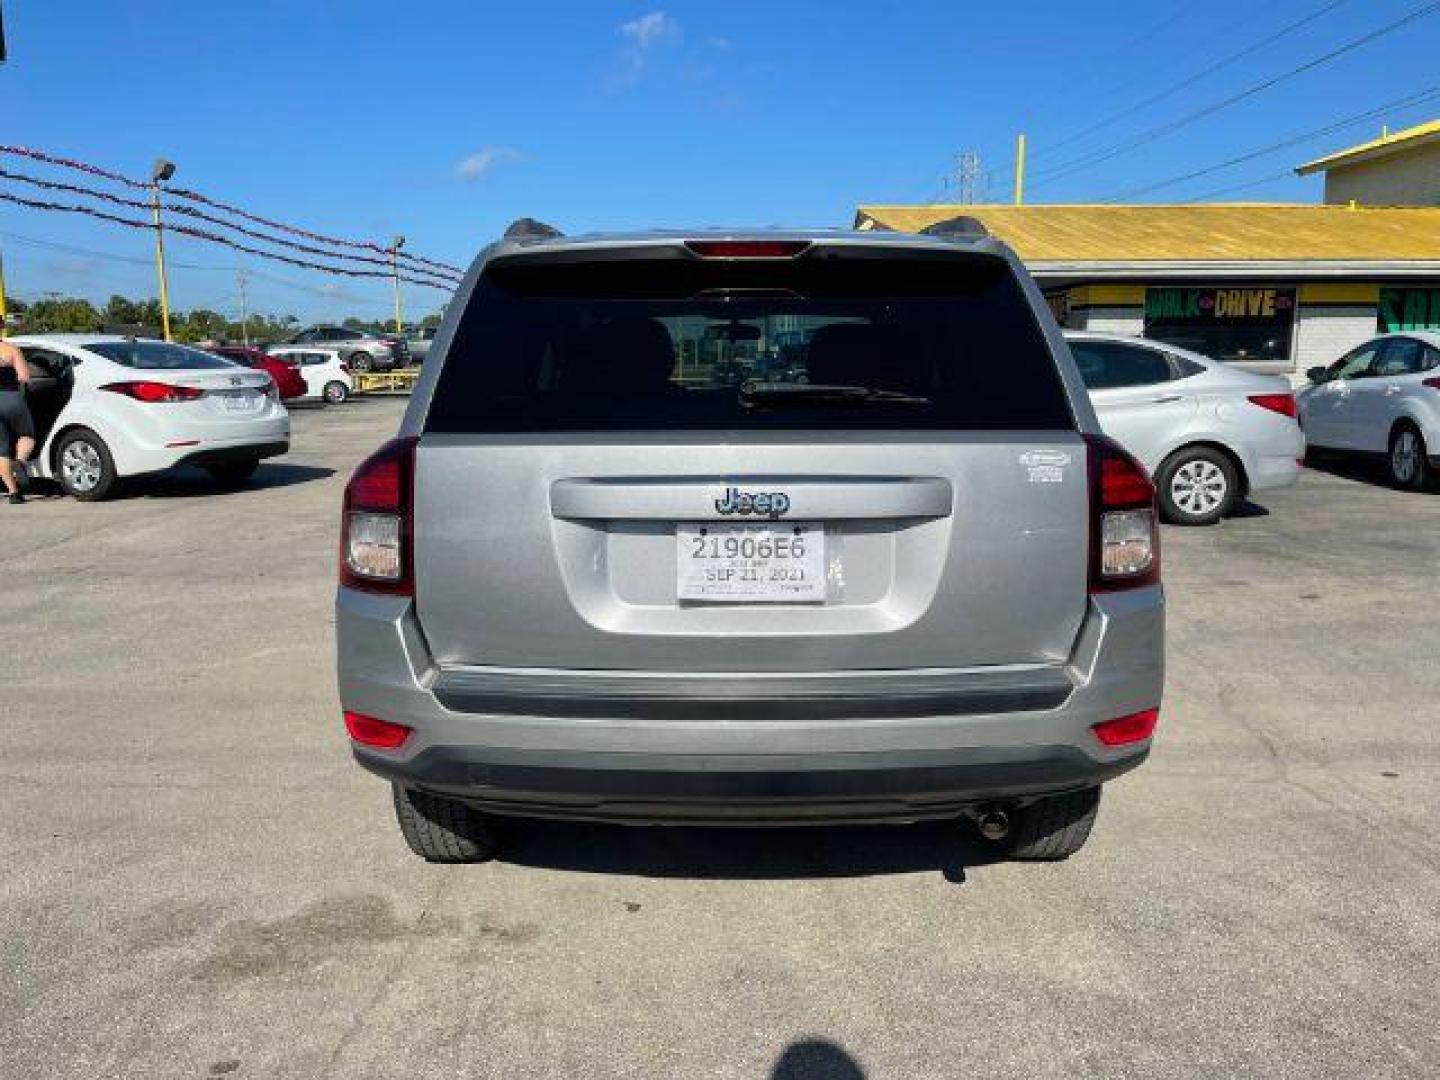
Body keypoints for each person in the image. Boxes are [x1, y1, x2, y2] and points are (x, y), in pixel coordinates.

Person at [0, 339, 35, 505]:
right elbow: (24, 377)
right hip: (11, 397)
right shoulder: (11, 349)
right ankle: (20, 461)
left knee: (2, 450)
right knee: (27, 434)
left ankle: (13, 493)